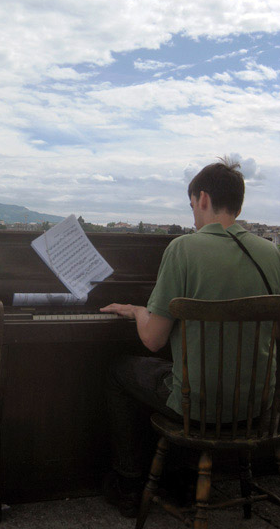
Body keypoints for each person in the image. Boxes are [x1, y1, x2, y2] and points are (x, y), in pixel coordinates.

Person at [100, 158, 280, 517]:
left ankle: (128, 483)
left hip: (198, 408)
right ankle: (181, 480)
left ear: (202, 198)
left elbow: (152, 340)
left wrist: (137, 311)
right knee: (185, 367)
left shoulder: (183, 249)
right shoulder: (272, 254)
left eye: (192, 206)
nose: (193, 217)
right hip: (259, 409)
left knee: (119, 370)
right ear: (239, 204)